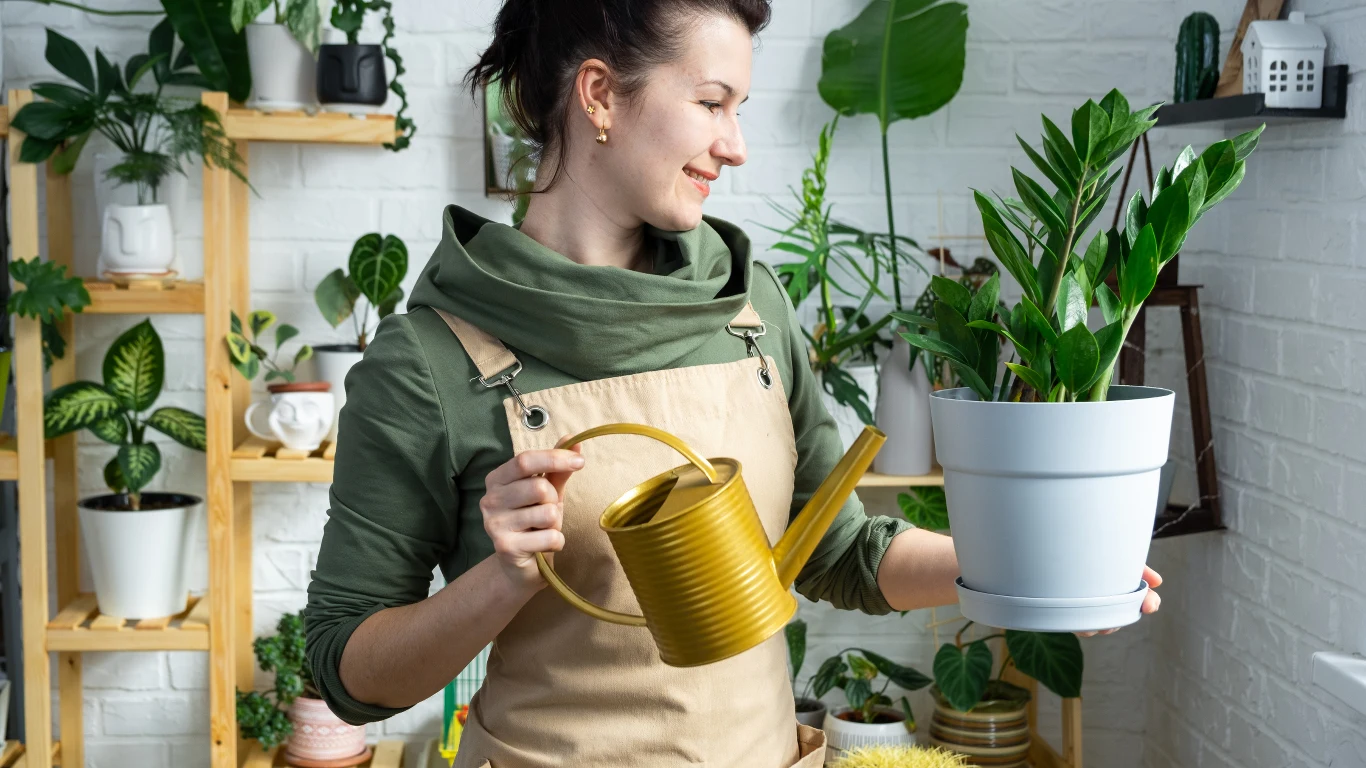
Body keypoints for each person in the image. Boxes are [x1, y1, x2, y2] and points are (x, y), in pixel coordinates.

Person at [303, 2, 1162, 766]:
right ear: (599, 95)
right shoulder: (431, 361)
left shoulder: (751, 310)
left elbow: (836, 551)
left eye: (738, 109)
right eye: (711, 103)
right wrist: (498, 580)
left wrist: (1036, 578)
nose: (736, 145)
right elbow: (348, 671)